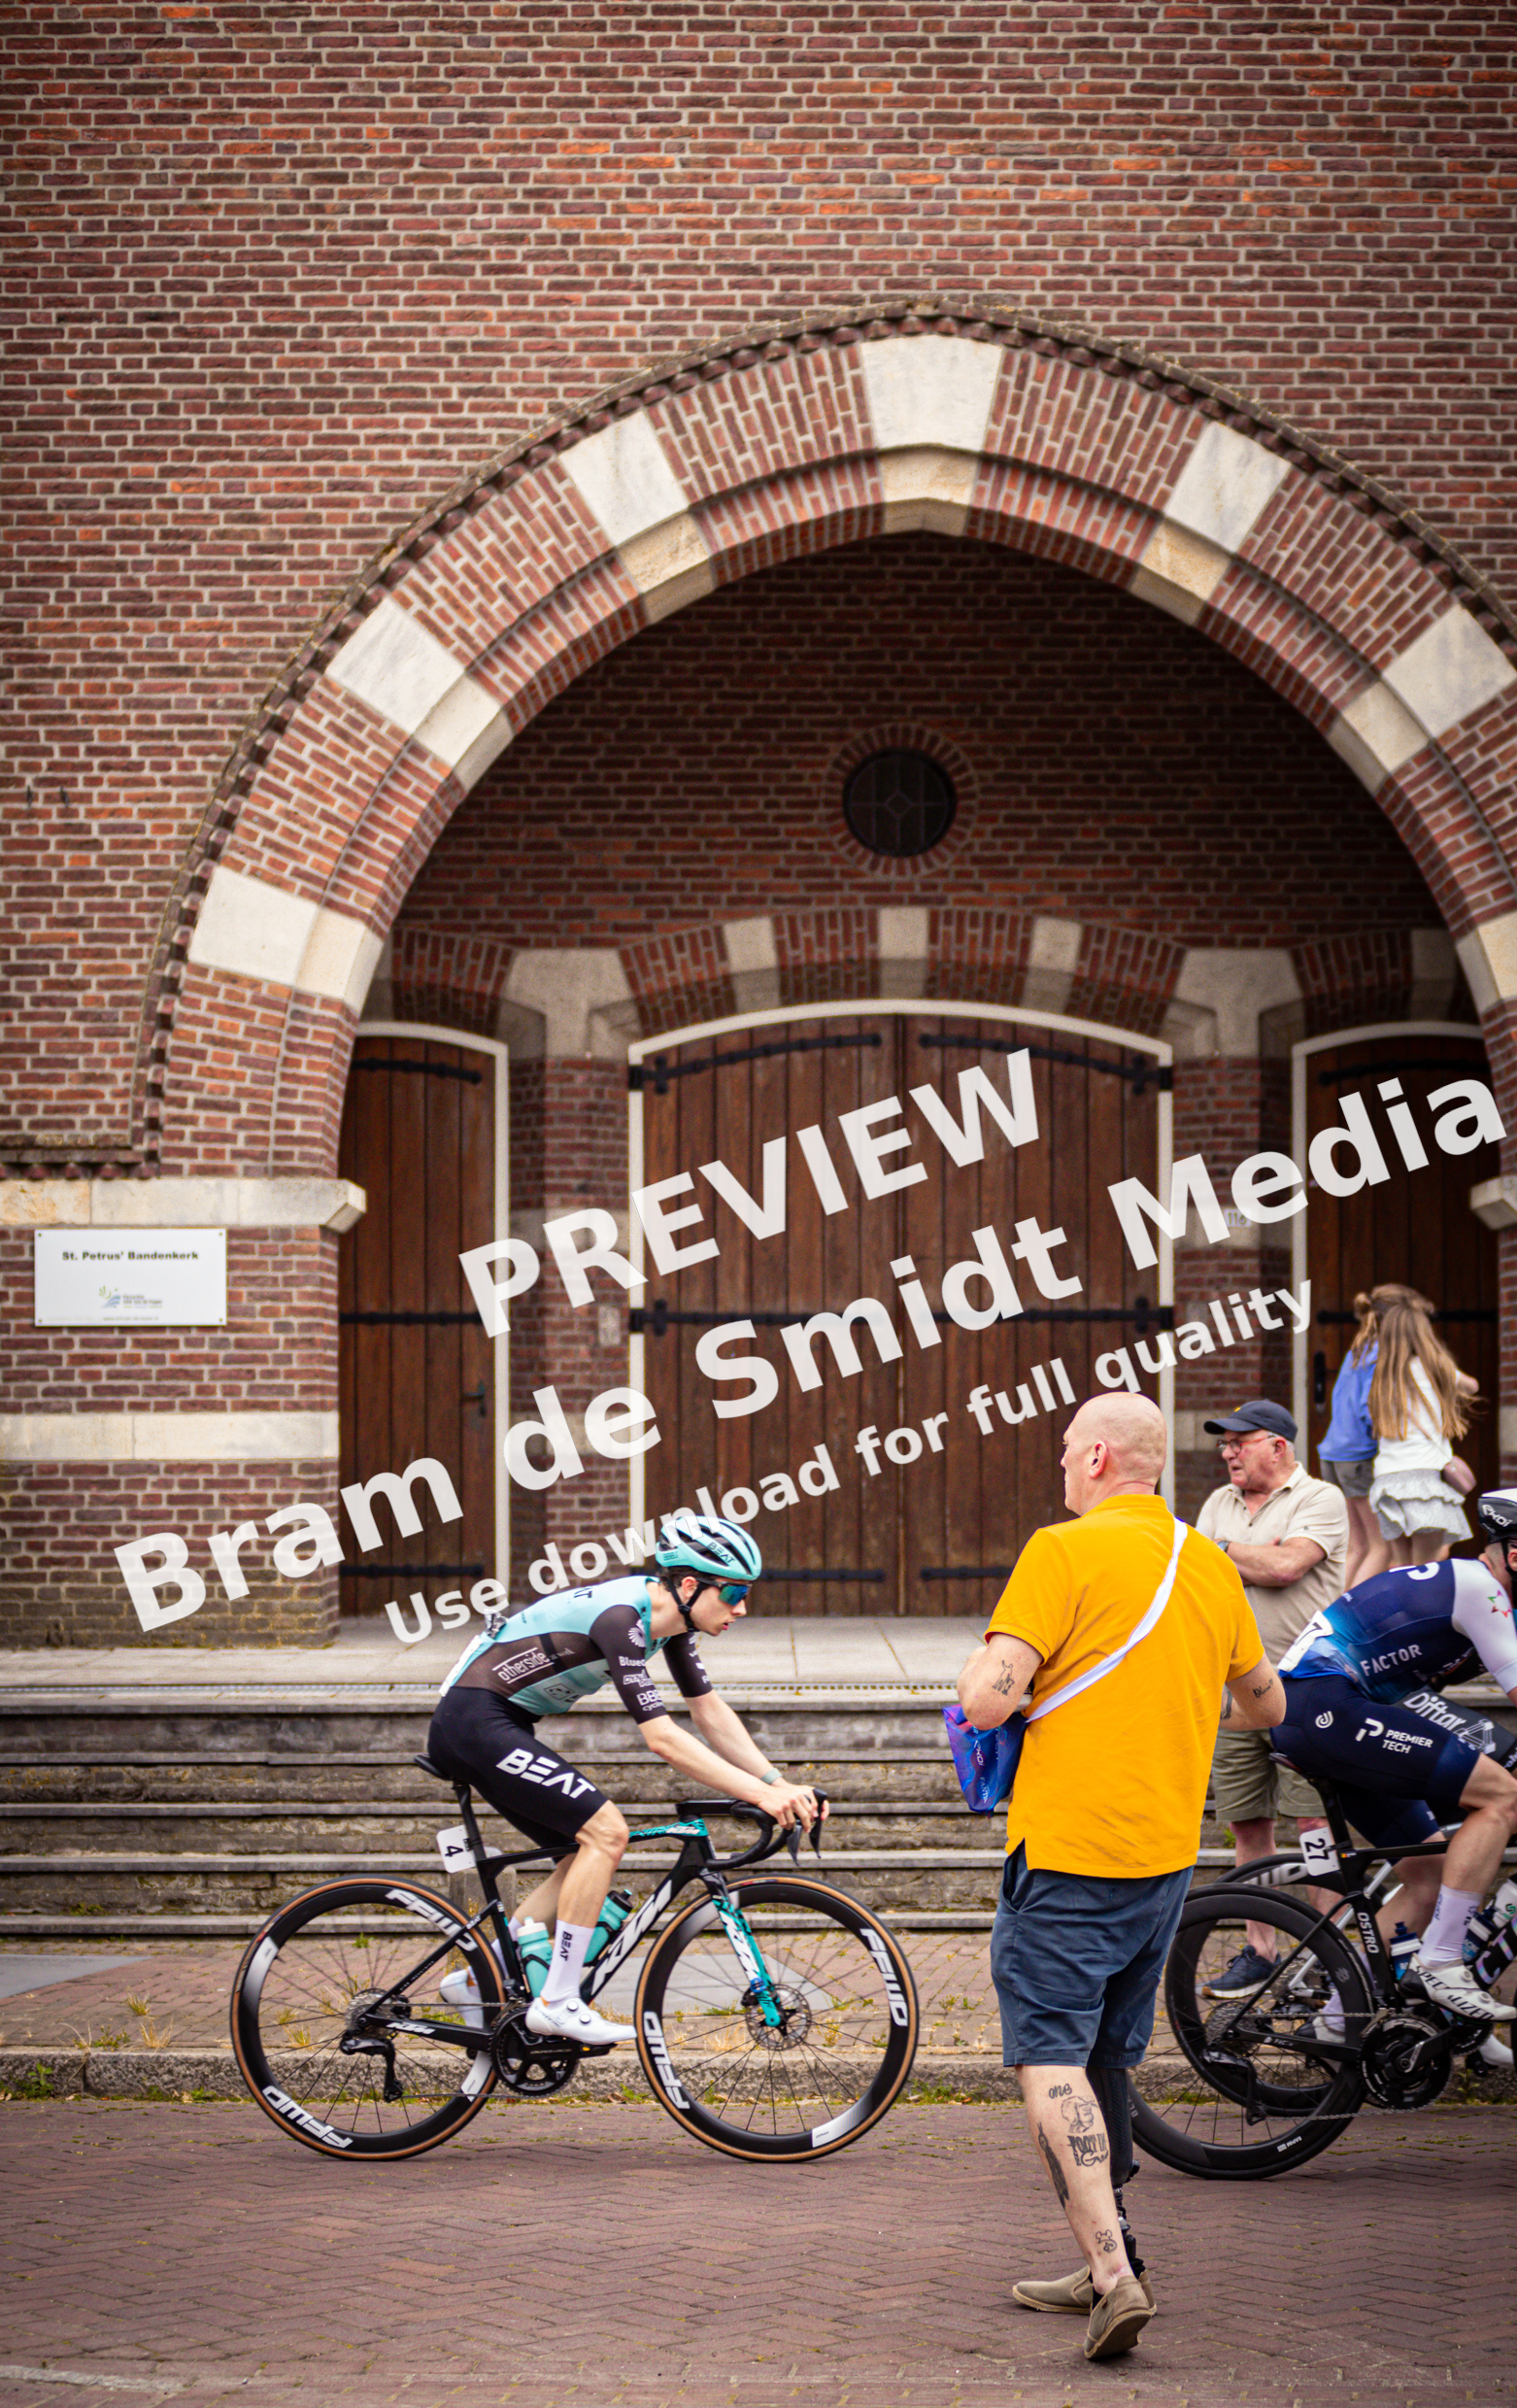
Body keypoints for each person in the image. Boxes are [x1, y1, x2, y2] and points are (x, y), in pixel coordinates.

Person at [957, 1393, 1281, 2364]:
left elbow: (989, 1696)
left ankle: (1109, 2275)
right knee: (1103, 2057)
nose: (1061, 1467)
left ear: (1097, 1457)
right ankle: (1113, 2245)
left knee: (1046, 2055)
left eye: (1065, 1451)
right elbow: (1261, 1703)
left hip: (1068, 1852)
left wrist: (985, 1678)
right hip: (1163, 1861)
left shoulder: (1060, 1551)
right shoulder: (1206, 1562)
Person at [426, 1515, 822, 2047]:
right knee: (606, 1833)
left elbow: (709, 1715)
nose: (742, 1608)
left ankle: (477, 1977)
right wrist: (762, 1796)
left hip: (499, 1723)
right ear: (689, 1586)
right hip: (473, 1722)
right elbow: (662, 1739)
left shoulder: (672, 1627)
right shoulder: (621, 1619)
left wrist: (778, 1782)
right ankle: (558, 2001)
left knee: (577, 1854)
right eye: (732, 1593)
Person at [1273, 1486, 1517, 2027]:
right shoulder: (1482, 1589)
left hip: (1324, 1709)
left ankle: (1337, 2022)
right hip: (1325, 1704)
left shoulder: (1479, 1591)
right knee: (1500, 1796)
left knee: (1428, 1872)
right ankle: (1442, 1961)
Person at [1195, 1399, 1349, 1998]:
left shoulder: (1321, 1499)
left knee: (1313, 1820)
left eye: (1241, 1441)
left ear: (1278, 1446)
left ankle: (1329, 1959)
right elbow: (1199, 1579)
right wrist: (1238, 1559)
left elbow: (1287, 1566)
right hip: (1230, 1689)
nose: (1228, 1452)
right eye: (1224, 1443)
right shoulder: (1218, 1503)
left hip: (1304, 1686)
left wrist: (1222, 1552)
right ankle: (1261, 1952)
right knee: (1247, 1825)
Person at [1365, 1283, 1474, 1566]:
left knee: (1402, 1567)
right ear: (1423, 1334)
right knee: (1427, 1568)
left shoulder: (1383, 1376)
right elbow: (1472, 1387)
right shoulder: (1435, 1365)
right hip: (1423, 1481)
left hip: (1387, 1480)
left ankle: (1401, 1610)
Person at [1318, 1292, 1387, 1588]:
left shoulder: (1357, 1350)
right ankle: (1349, 1616)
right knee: (1381, 1547)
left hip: (1333, 1454)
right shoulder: (1380, 1352)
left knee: (1357, 1547)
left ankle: (1330, 1612)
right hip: (1358, 1456)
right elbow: (1368, 1406)